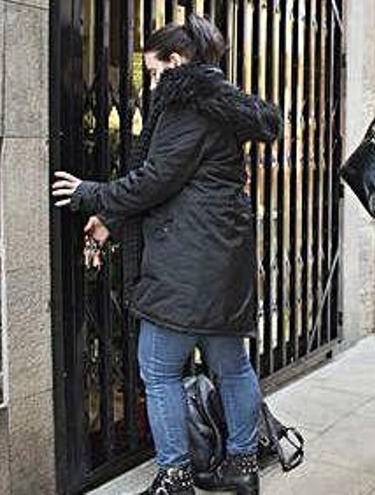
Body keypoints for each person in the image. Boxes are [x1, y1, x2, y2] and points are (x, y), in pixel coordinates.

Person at [51, 14, 280, 495]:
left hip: (186, 263)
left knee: (157, 369)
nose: (152, 83)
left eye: (155, 71)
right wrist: (111, 218)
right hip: (220, 259)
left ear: (177, 62)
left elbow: (155, 181)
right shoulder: (219, 103)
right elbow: (181, 182)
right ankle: (241, 467)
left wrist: (92, 194)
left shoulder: (187, 108)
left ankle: (174, 476)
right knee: (232, 365)